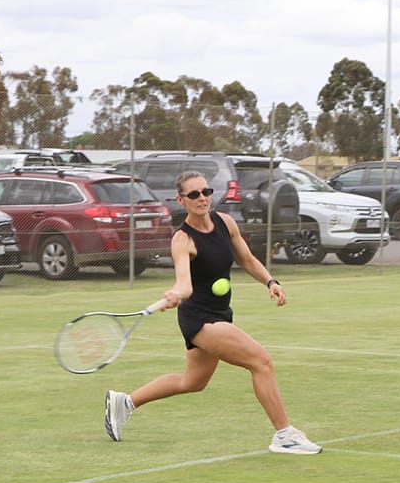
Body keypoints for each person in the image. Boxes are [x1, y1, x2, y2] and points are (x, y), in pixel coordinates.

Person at [103, 170, 321, 454]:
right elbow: (184, 283)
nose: (202, 198)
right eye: (194, 195)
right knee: (261, 362)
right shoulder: (183, 240)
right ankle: (284, 435)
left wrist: (270, 281)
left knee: (192, 382)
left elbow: (246, 259)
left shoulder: (225, 222)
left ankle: (125, 402)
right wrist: (175, 294)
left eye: (206, 192)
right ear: (182, 200)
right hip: (200, 319)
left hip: (220, 313)